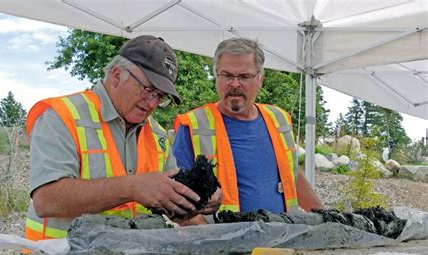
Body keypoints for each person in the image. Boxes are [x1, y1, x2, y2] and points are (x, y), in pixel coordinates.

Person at [24, 35, 221, 241]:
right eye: (148, 90)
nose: (152, 103)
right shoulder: (62, 116)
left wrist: (198, 203)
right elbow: (46, 200)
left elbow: (173, 205)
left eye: (160, 97)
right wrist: (132, 187)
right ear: (117, 75)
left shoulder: (157, 135)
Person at [173, 37, 323, 224]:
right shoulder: (194, 125)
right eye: (227, 75)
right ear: (216, 76)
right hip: (224, 246)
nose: (235, 84)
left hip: (283, 240)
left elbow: (291, 175)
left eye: (244, 77)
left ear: (260, 79)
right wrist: (213, 239)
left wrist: (326, 216)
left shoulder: (279, 120)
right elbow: (177, 200)